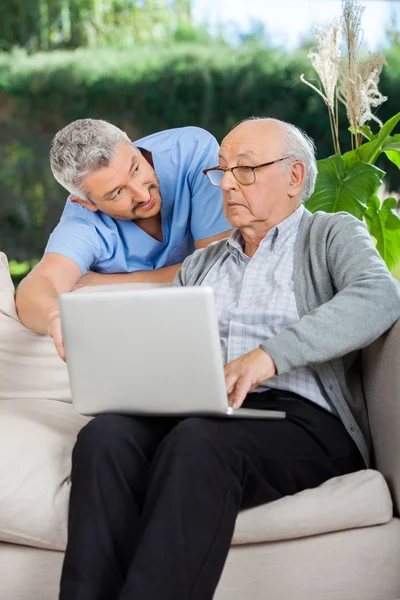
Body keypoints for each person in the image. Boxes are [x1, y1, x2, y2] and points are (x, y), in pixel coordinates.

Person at [59, 117, 400, 600]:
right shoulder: (202, 263)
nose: (228, 185)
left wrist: (268, 357)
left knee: (201, 441)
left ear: (295, 177)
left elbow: (380, 297)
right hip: (209, 411)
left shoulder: (329, 235)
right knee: (105, 437)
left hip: (303, 421)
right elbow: (168, 348)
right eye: (222, 171)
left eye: (247, 169)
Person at [15, 120, 231, 360]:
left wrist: (107, 281)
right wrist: (56, 318)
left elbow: (221, 265)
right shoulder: (82, 225)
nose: (142, 194)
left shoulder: (190, 151)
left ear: (130, 142)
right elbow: (36, 287)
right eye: (117, 193)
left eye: (136, 168)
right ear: (86, 203)